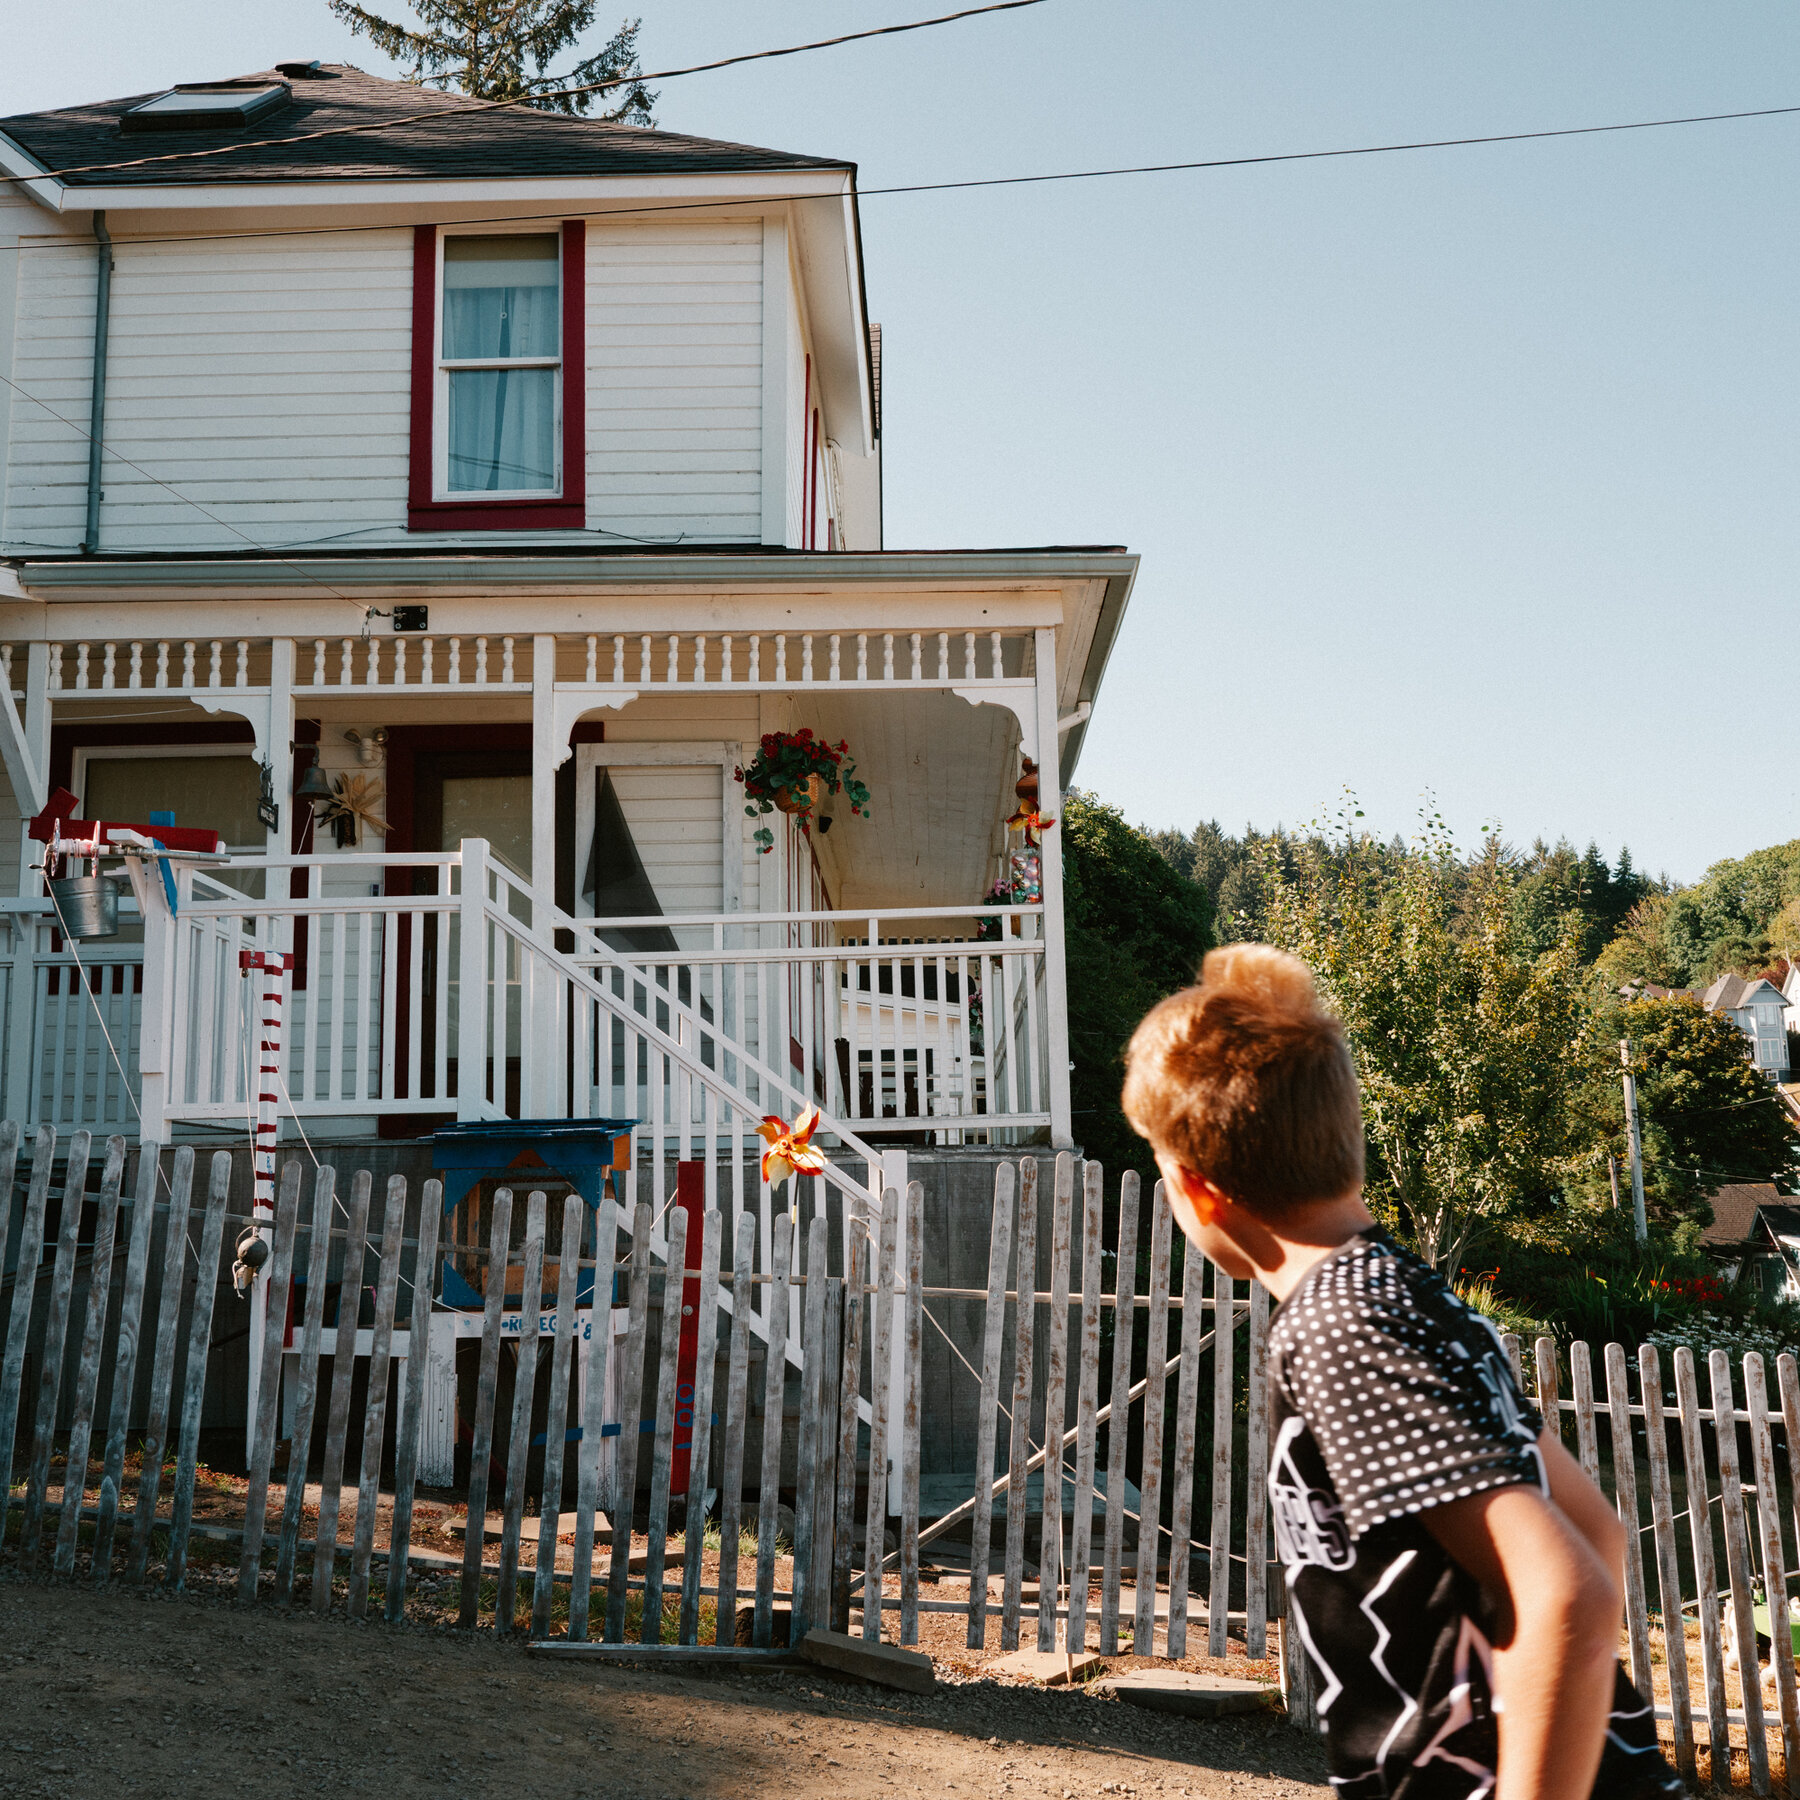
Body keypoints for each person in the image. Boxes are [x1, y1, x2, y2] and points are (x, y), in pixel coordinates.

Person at [1121, 944, 1681, 1800]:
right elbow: (1596, 1532)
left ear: (1198, 1192)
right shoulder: (1410, 1295)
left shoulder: (1339, 1325)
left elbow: (1568, 1591)